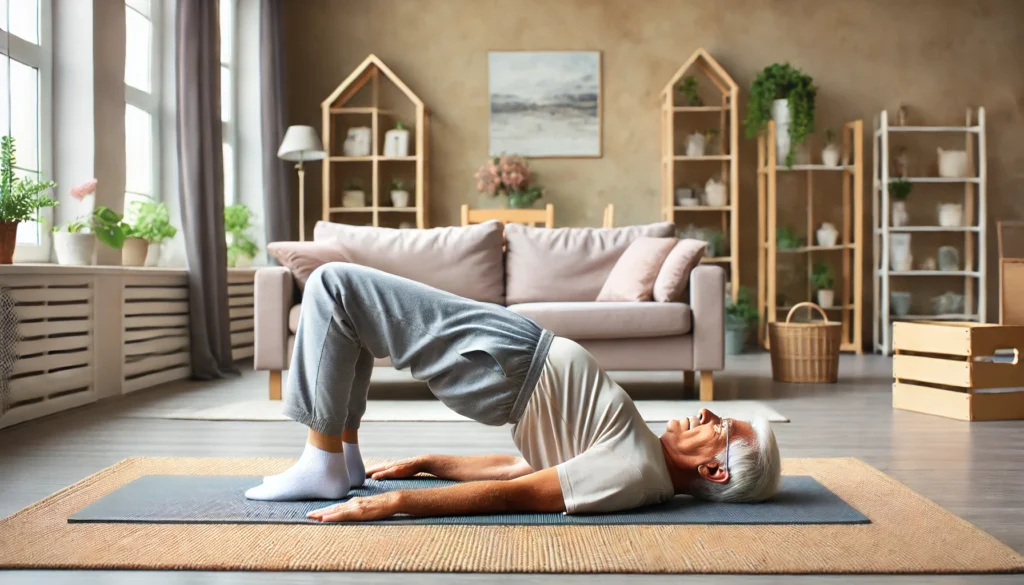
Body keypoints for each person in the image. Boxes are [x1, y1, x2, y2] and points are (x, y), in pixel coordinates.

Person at [245, 263, 781, 522]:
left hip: (507, 363)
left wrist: (395, 505)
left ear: (715, 470)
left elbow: (516, 497)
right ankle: (344, 462)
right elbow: (516, 469)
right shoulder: (644, 461)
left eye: (722, 427)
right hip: (512, 355)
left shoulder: (637, 474)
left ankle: (323, 464)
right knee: (353, 314)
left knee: (333, 286)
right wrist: (426, 463)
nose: (707, 412)